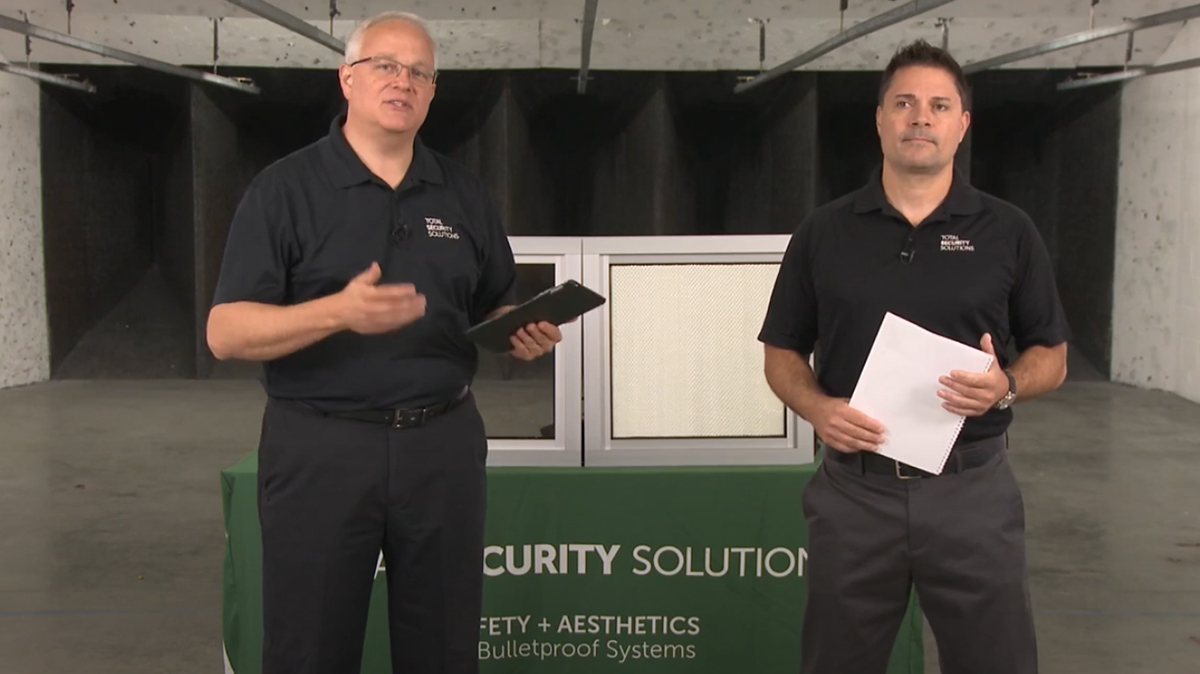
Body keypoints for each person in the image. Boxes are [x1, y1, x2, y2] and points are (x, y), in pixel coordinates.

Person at [206, 11, 561, 674]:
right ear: (347, 78)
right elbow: (225, 332)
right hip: (321, 446)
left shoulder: (462, 192)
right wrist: (337, 312)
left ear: (432, 92)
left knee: (445, 646)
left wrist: (518, 328)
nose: (404, 81)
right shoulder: (284, 190)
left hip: (443, 446)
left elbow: (493, 300)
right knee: (309, 648)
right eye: (387, 66)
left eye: (420, 72)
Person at [758, 40, 1069, 674]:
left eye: (938, 105)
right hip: (855, 493)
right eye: (903, 103)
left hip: (972, 491)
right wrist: (817, 407)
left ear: (962, 124)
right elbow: (781, 352)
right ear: (880, 120)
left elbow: (1053, 355)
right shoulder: (824, 231)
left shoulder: (1009, 231)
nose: (920, 117)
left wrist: (1006, 385)